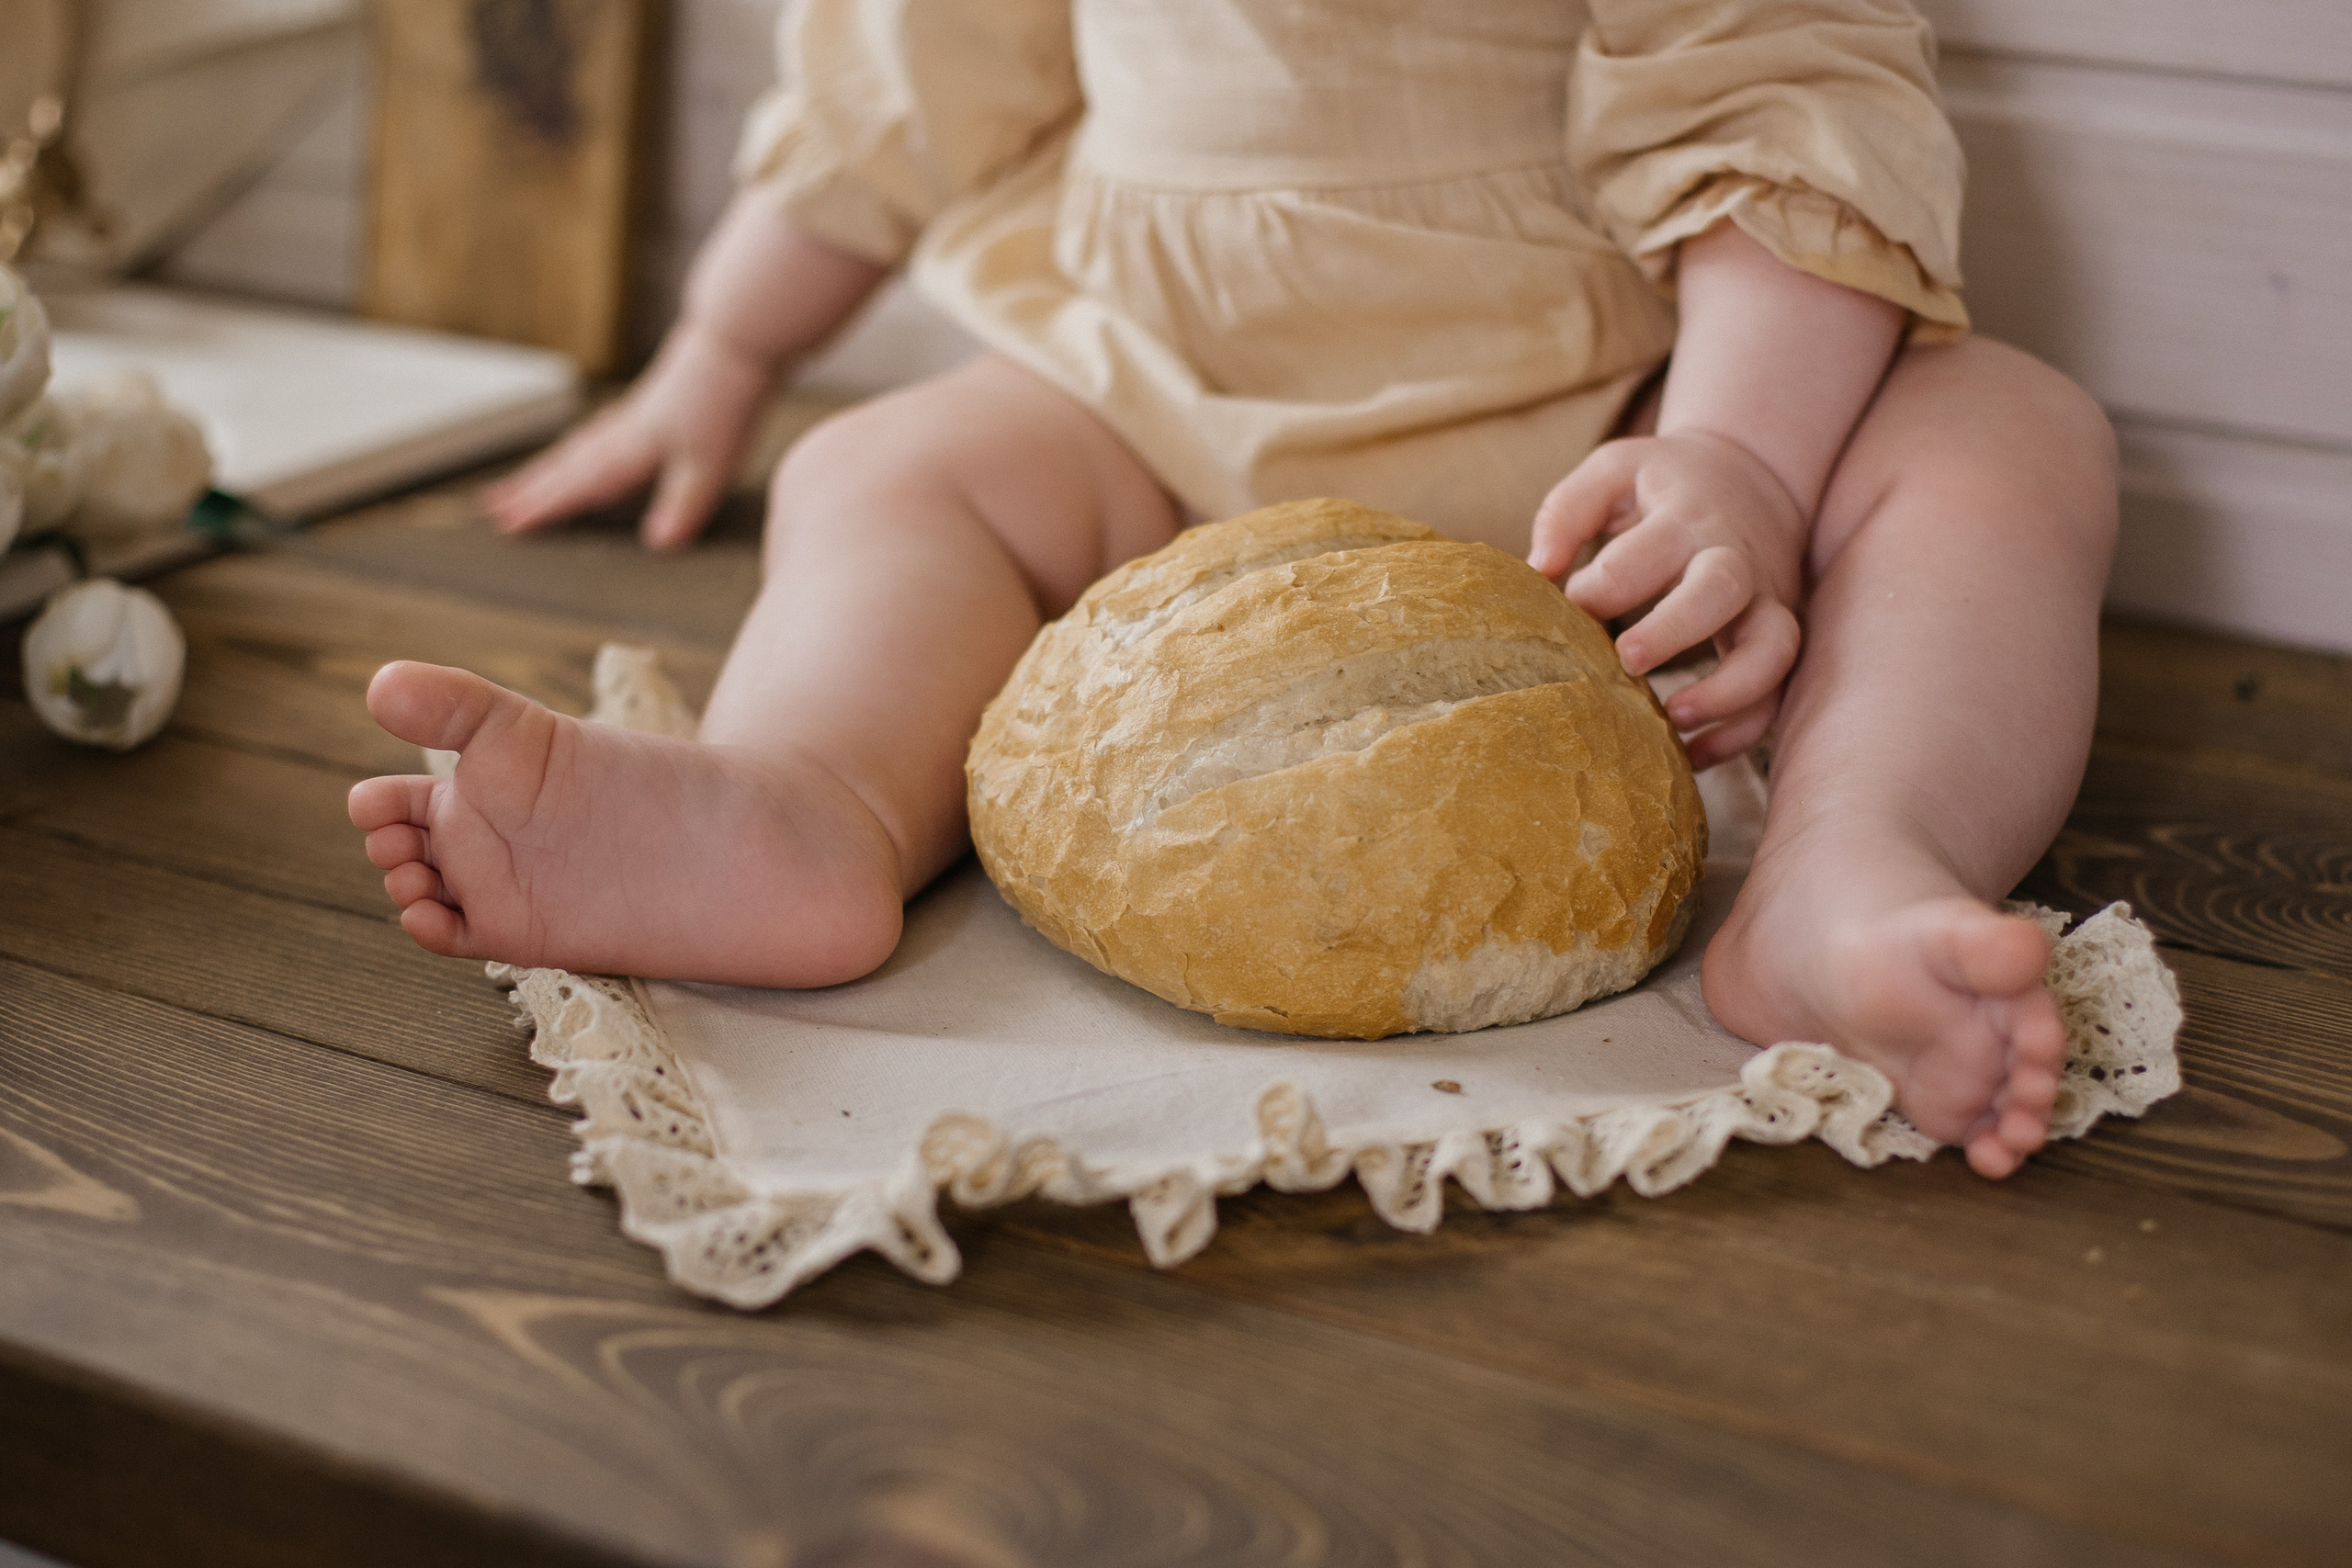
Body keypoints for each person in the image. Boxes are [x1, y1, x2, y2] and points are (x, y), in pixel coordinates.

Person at [348, 0, 2118, 1179]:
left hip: (1613, 438)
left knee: (2006, 442)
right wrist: (720, 351)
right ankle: (802, 803)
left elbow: (1775, 79)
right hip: (1165, 419)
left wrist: (1741, 457)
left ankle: (1845, 862)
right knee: (878, 470)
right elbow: (895, 98)